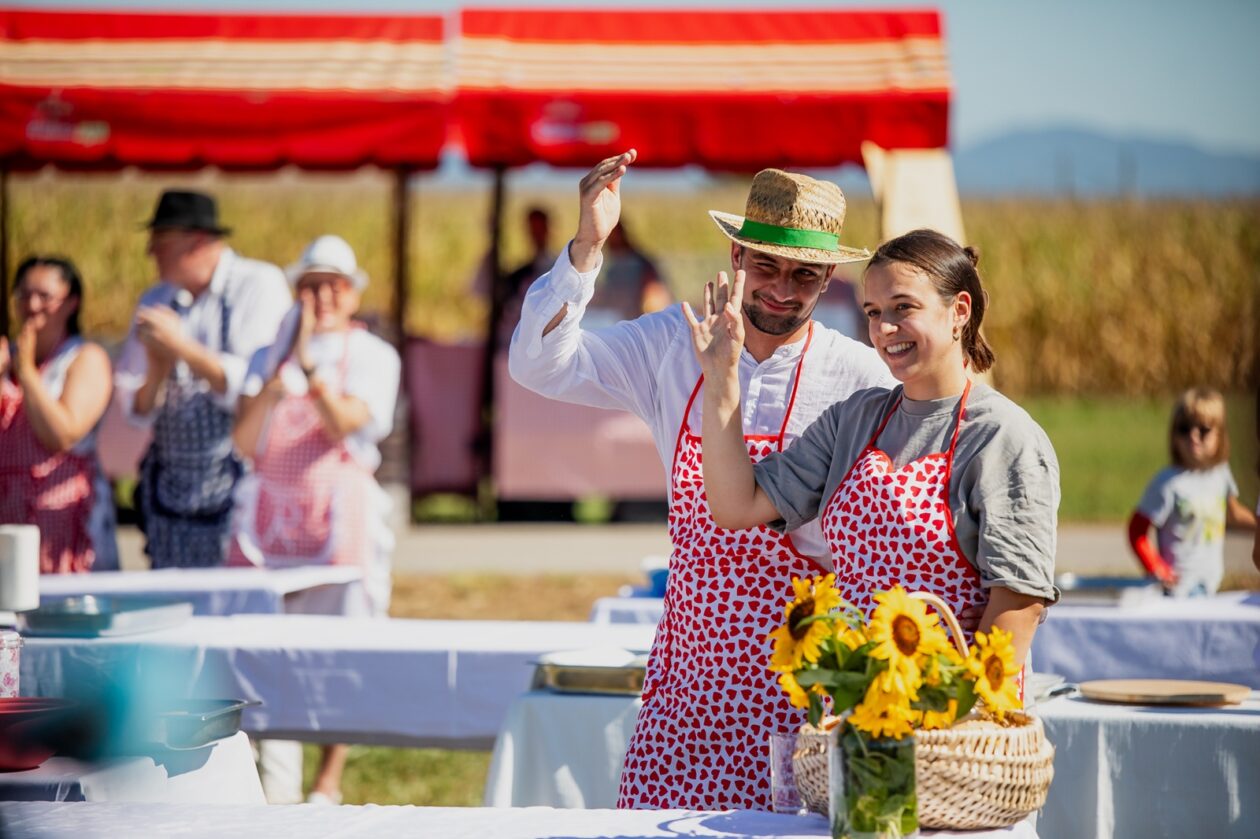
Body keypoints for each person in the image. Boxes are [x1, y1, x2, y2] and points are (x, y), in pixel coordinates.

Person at [509, 149, 896, 810]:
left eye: (803, 274)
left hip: (807, 697)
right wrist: (584, 250)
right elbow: (539, 366)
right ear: (737, 258)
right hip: (689, 688)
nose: (780, 287)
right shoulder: (673, 341)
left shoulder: (861, 379)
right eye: (766, 265)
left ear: (830, 275)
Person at [690, 228, 1059, 681]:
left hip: (955, 724)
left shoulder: (1002, 436)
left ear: (958, 311)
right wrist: (722, 379)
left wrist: (954, 713)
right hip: (857, 717)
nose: (885, 329)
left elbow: (1017, 601)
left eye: (903, 308)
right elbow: (734, 506)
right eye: (874, 312)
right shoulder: (854, 420)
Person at [229, 234, 400, 804]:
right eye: (311, 285)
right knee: (257, 643)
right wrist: (273, 389)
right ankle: (262, 768)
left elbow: (348, 423)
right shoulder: (265, 356)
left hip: (338, 520)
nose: (322, 296)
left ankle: (329, 778)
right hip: (271, 521)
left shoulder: (374, 356)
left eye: (333, 285)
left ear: (352, 295)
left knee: (340, 647)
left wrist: (310, 370)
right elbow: (246, 442)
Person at [114, 189, 291, 568]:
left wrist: (181, 348)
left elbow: (255, 388)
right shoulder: (155, 300)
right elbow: (135, 407)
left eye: (161, 242)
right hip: (171, 489)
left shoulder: (256, 285)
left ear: (197, 242)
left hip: (236, 482)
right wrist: (158, 367)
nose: (151, 253)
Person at [0, 256, 116, 572]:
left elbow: (62, 434)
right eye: (23, 295)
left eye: (44, 296)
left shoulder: (84, 359)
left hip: (66, 527)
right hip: (10, 531)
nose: (32, 305)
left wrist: (25, 371)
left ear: (71, 303)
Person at [1128, 388, 1256, 597]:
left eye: (1203, 430)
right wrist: (1156, 568)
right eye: (1184, 429)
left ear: (1220, 435)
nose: (1193, 436)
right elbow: (1137, 530)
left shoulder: (1221, 474)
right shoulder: (1168, 483)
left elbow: (1233, 514)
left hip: (1210, 582)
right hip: (1179, 587)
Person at [584, 220, 672, 327]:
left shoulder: (639, 264)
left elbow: (653, 297)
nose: (609, 240)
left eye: (612, 235)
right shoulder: (615, 266)